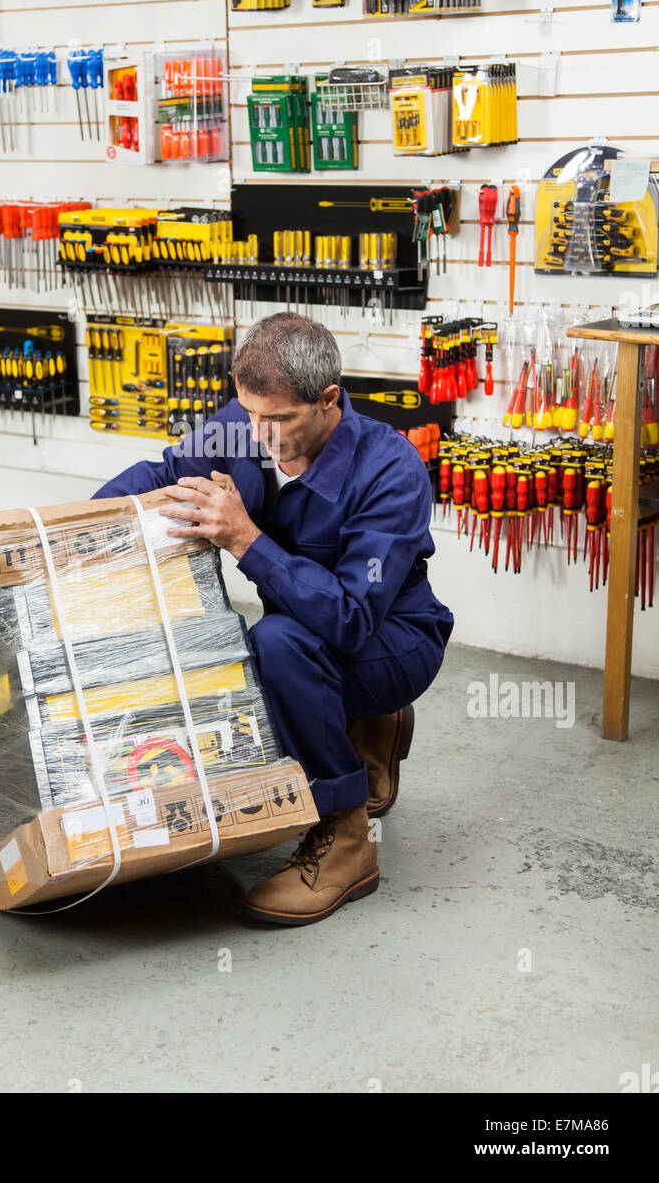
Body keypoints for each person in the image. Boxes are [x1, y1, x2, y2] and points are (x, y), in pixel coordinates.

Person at [92, 313, 454, 927]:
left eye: (279, 420)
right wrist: (68, 532)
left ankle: (346, 838)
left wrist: (245, 538)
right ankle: (357, 725)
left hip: (390, 636)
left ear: (329, 400)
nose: (259, 435)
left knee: (277, 646)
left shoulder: (391, 470)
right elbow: (164, 477)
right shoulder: (248, 422)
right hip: (312, 626)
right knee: (264, 646)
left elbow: (349, 618)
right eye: (249, 414)